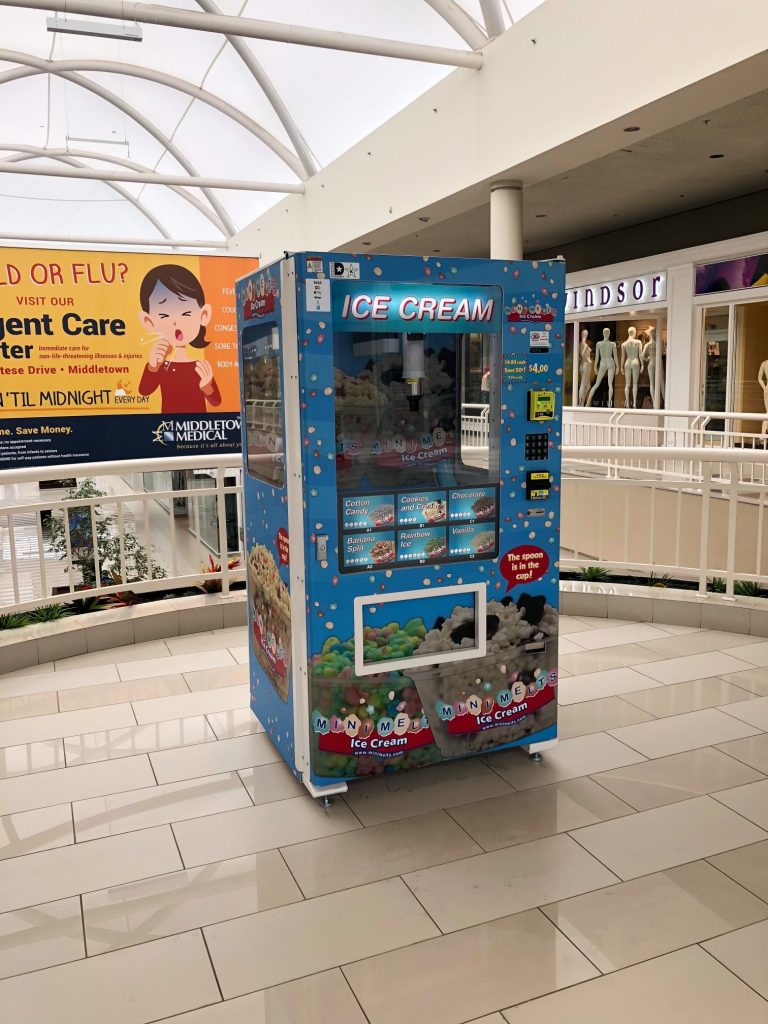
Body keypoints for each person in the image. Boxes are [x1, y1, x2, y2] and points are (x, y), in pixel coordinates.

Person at [138, 264, 221, 414]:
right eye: (164, 315)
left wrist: (207, 386)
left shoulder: (200, 366)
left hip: (197, 430)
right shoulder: (161, 366)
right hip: (169, 428)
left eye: (186, 313)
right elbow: (144, 391)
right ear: (149, 321)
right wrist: (152, 367)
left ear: (203, 315)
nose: (176, 322)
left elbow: (216, 401)